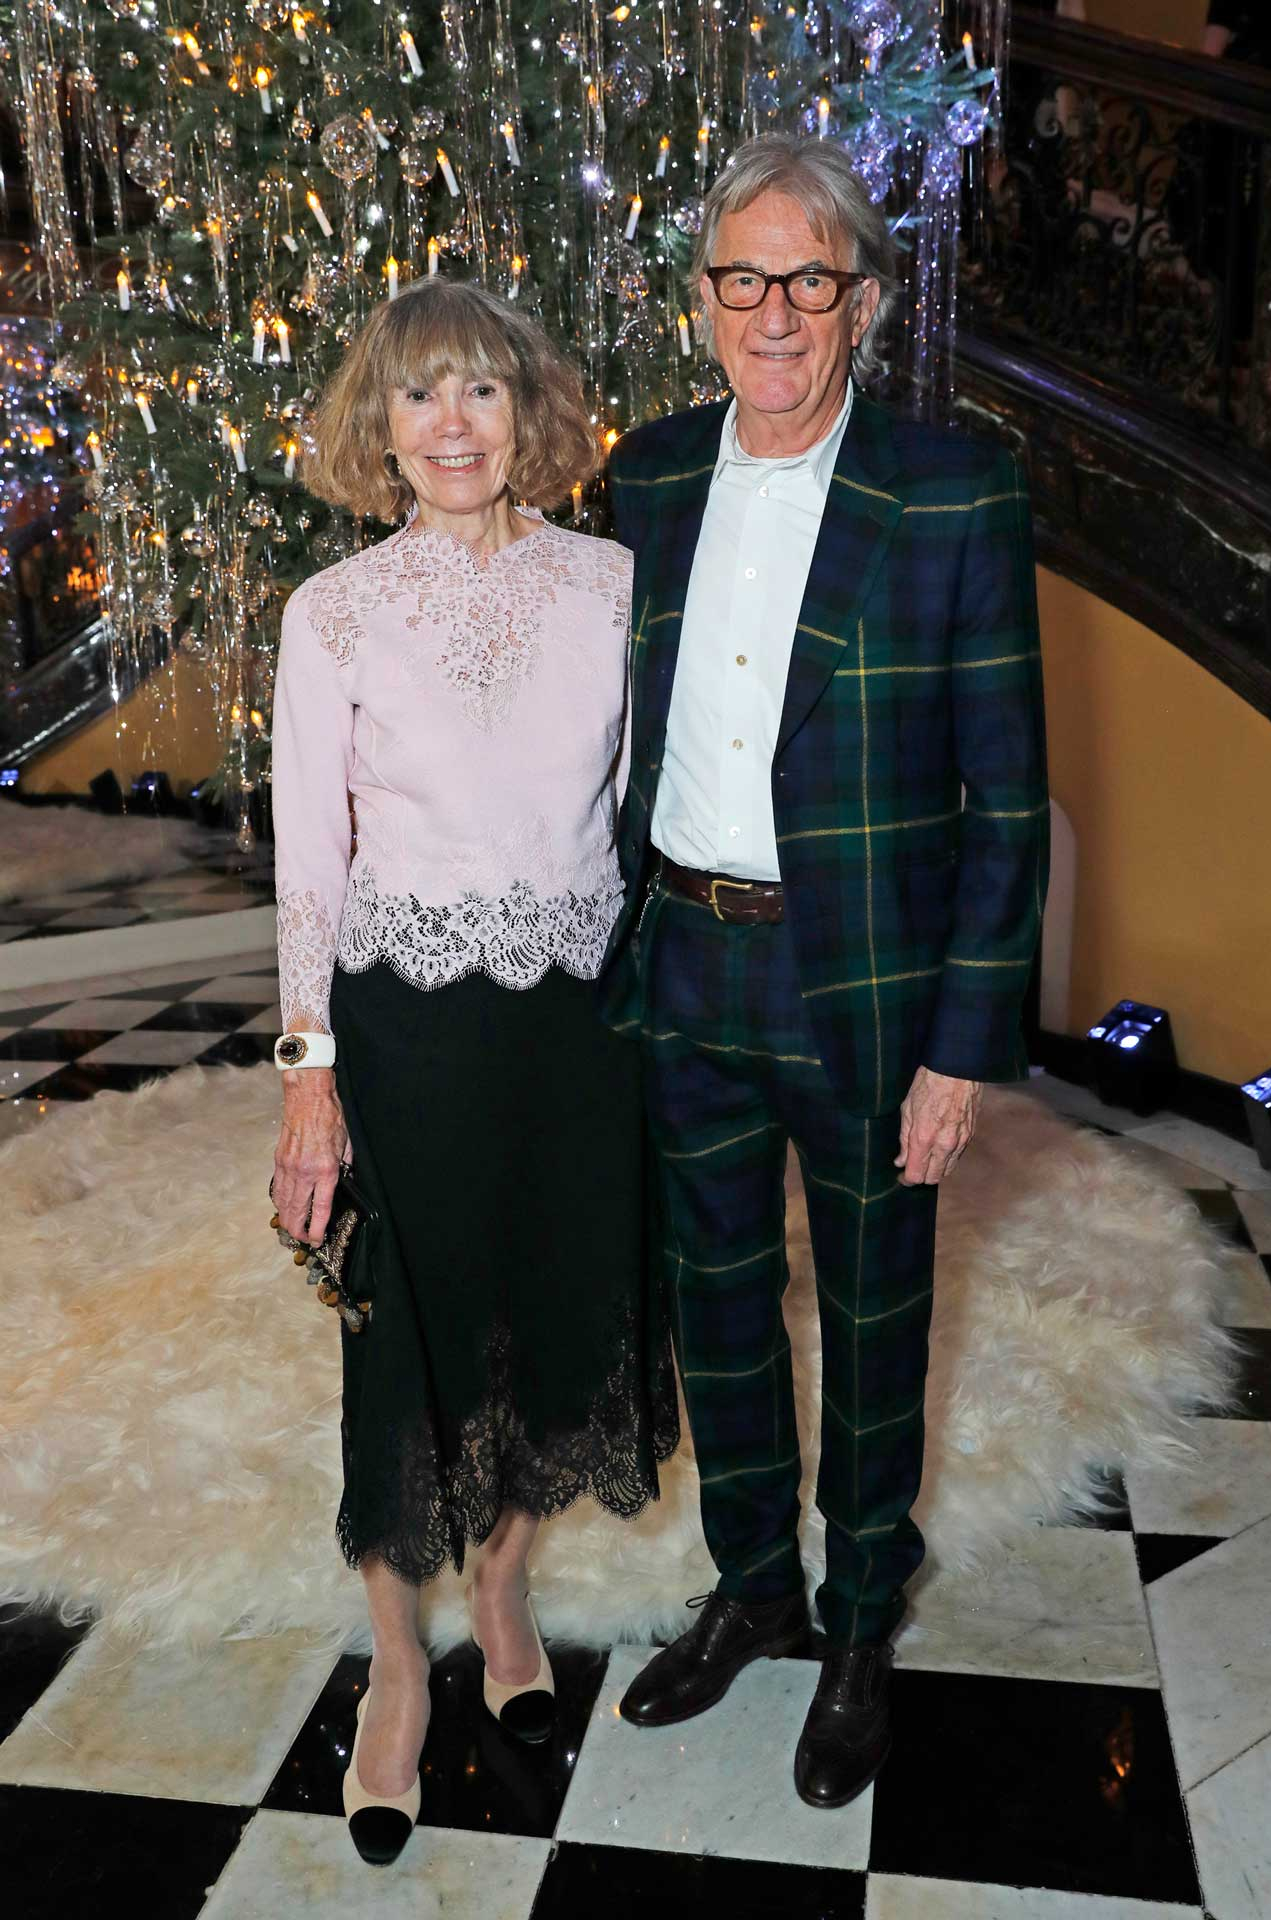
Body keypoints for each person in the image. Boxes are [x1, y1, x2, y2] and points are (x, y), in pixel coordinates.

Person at [602, 134, 1049, 1809]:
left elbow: (1007, 793)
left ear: (859, 301)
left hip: (867, 990)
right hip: (686, 966)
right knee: (715, 1310)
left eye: (809, 280)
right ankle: (755, 1585)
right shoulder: (643, 478)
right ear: (703, 301)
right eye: (743, 279)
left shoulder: (953, 486)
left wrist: (963, 1048)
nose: (773, 312)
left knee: (870, 1317)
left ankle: (861, 1619)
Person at [270, 278, 679, 1867]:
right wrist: (309, 1081)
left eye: (483, 394)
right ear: (381, 425)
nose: (453, 427)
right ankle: (392, 1659)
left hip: (579, 1025)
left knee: (562, 1304)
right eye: (421, 397)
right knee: (408, 1340)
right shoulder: (337, 614)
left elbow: (640, 817)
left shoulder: (612, 586)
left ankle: (502, 1582)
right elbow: (310, 866)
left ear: (533, 415)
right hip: (405, 1028)